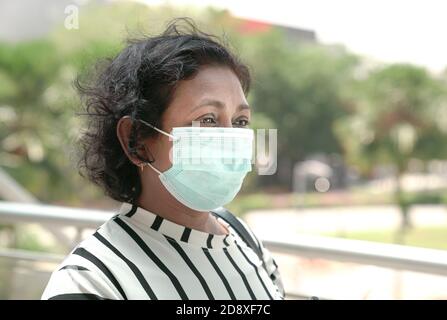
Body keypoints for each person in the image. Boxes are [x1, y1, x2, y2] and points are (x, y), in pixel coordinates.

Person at [41, 18, 285, 300]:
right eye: (207, 119)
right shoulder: (92, 282)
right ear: (137, 140)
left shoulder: (242, 237)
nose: (230, 138)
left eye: (240, 121)